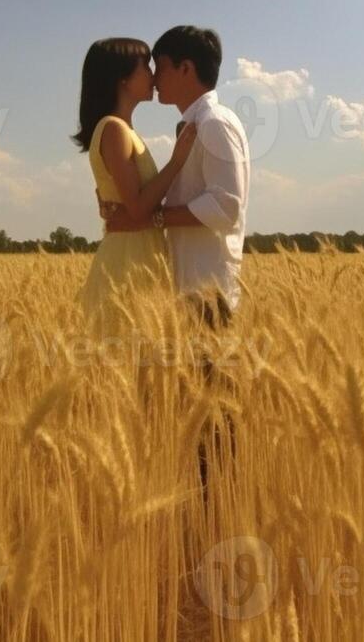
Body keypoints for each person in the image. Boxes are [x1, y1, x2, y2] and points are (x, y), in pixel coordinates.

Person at [101, 25, 251, 494]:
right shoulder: (195, 125)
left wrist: (153, 218)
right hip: (187, 292)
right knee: (200, 416)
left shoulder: (215, 124)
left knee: (213, 421)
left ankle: (217, 514)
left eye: (161, 66)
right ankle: (206, 516)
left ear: (186, 68)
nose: (155, 76)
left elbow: (227, 205)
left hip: (206, 293)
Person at [74, 37, 197, 333]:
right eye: (145, 66)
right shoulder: (115, 129)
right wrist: (177, 162)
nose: (153, 74)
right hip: (128, 260)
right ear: (123, 79)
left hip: (137, 252)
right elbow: (140, 207)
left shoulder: (123, 130)